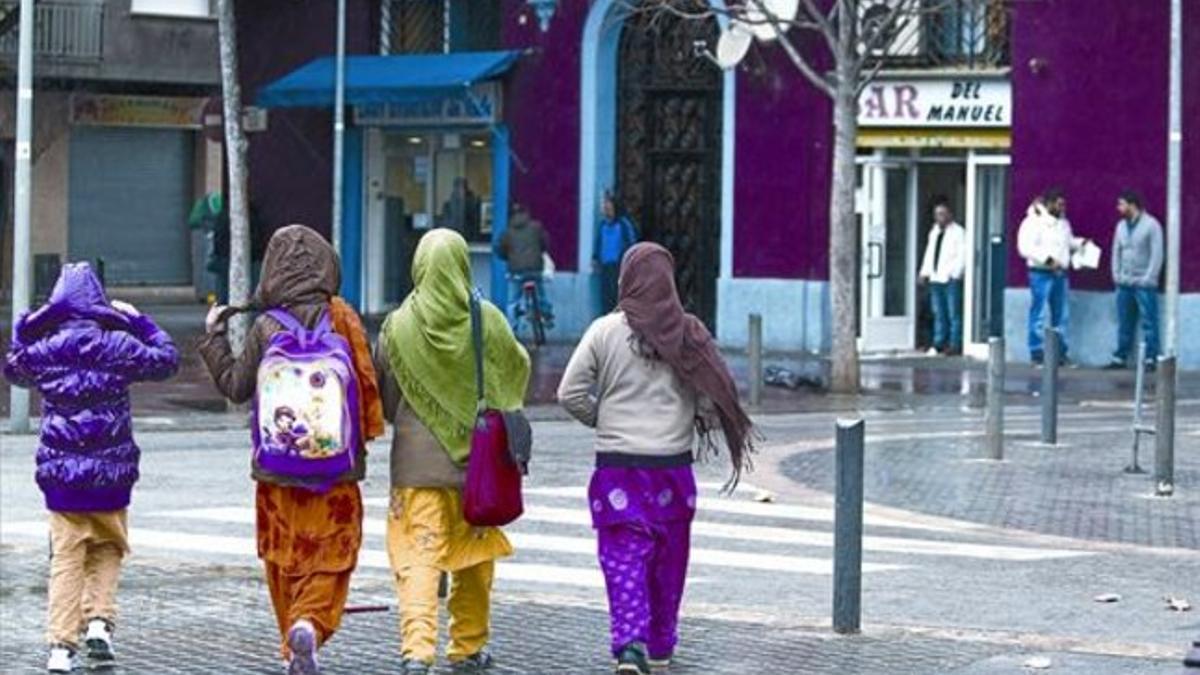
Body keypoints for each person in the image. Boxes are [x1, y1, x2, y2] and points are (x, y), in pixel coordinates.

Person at [557, 243, 755, 675]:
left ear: (627, 279)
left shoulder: (603, 332)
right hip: (671, 470)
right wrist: (685, 418)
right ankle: (661, 648)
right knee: (669, 563)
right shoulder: (688, 334)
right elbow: (713, 399)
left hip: (617, 470)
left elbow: (568, 392)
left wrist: (604, 420)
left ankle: (630, 645)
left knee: (623, 557)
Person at [199, 225, 384, 675]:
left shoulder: (266, 325)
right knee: (333, 560)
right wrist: (361, 443)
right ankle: (309, 625)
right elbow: (367, 387)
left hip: (277, 474)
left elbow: (237, 387)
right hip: (335, 475)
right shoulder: (342, 317)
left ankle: (293, 640)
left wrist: (214, 339)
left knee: (284, 561)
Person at [4, 262, 179, 673]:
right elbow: (167, 359)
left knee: (66, 558)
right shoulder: (117, 344)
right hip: (111, 476)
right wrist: (139, 321)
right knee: (108, 547)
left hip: (62, 479)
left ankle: (61, 648)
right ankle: (99, 622)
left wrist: (34, 322)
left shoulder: (46, 349)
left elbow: (13, 364)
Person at [375, 229, 531, 674]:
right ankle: (466, 646)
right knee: (475, 561)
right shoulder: (488, 321)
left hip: (414, 471)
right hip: (476, 469)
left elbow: (386, 400)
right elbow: (516, 369)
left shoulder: (397, 327)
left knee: (418, 560)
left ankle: (417, 652)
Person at [1017, 188, 1081, 365]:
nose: (1062, 208)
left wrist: (1081, 243)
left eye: (1064, 204)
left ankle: (1059, 352)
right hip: (1041, 272)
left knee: (1061, 315)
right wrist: (1047, 260)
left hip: (1060, 273)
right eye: (1059, 204)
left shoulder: (1063, 224)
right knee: (1039, 313)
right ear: (1049, 204)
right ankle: (1037, 352)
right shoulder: (1033, 222)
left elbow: (1068, 242)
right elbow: (1025, 247)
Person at [1106, 190, 1164, 370]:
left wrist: (1149, 278)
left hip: (1144, 284)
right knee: (1124, 321)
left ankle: (1151, 358)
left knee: (1149, 322)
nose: (1119, 208)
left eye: (1122, 204)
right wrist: (1116, 274)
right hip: (1124, 282)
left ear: (1132, 205)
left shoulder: (1151, 225)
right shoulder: (1121, 226)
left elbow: (1157, 253)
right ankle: (1121, 356)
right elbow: (1116, 251)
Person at [917, 199, 966, 355]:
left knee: (953, 313)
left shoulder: (959, 232)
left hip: (950, 278)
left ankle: (954, 344)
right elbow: (930, 253)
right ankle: (939, 342)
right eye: (937, 214)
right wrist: (924, 273)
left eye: (943, 214)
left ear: (950, 214)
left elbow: (963, 255)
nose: (940, 217)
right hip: (936, 277)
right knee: (938, 312)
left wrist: (956, 274)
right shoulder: (934, 232)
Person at [497, 203, 554, 329]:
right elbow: (545, 243)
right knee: (541, 295)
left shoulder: (507, 232)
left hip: (516, 271)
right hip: (534, 269)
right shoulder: (536, 227)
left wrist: (508, 258)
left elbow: (500, 250)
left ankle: (512, 327)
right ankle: (546, 314)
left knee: (513, 300)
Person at [593, 193, 639, 314]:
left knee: (617, 296)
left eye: (609, 206)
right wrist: (595, 258)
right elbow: (598, 243)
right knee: (605, 296)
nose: (606, 209)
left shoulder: (623, 225)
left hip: (618, 266)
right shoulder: (603, 225)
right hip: (605, 266)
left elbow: (631, 243)